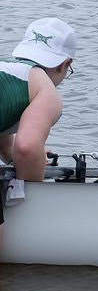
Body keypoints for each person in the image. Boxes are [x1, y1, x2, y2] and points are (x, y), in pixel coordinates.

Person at [0, 18, 76, 230]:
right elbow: (27, 147)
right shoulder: (45, 90)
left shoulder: (6, 71)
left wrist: (33, 159)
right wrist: (32, 195)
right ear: (66, 64)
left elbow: (7, 143)